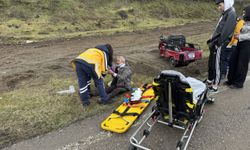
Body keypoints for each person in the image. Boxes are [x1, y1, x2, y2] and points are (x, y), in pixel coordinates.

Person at [206, 0, 236, 92]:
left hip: (220, 43)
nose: (218, 8)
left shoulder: (231, 13)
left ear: (226, 3)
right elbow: (219, 28)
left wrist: (218, 43)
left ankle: (215, 85)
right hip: (216, 42)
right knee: (211, 62)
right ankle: (210, 80)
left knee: (217, 64)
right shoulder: (225, 13)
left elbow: (226, 31)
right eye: (218, 6)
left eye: (220, 5)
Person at [225, 6, 250, 88]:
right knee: (233, 61)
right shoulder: (245, 22)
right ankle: (230, 80)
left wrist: (239, 37)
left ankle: (238, 83)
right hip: (240, 43)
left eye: (244, 12)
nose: (243, 14)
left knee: (241, 64)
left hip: (247, 45)